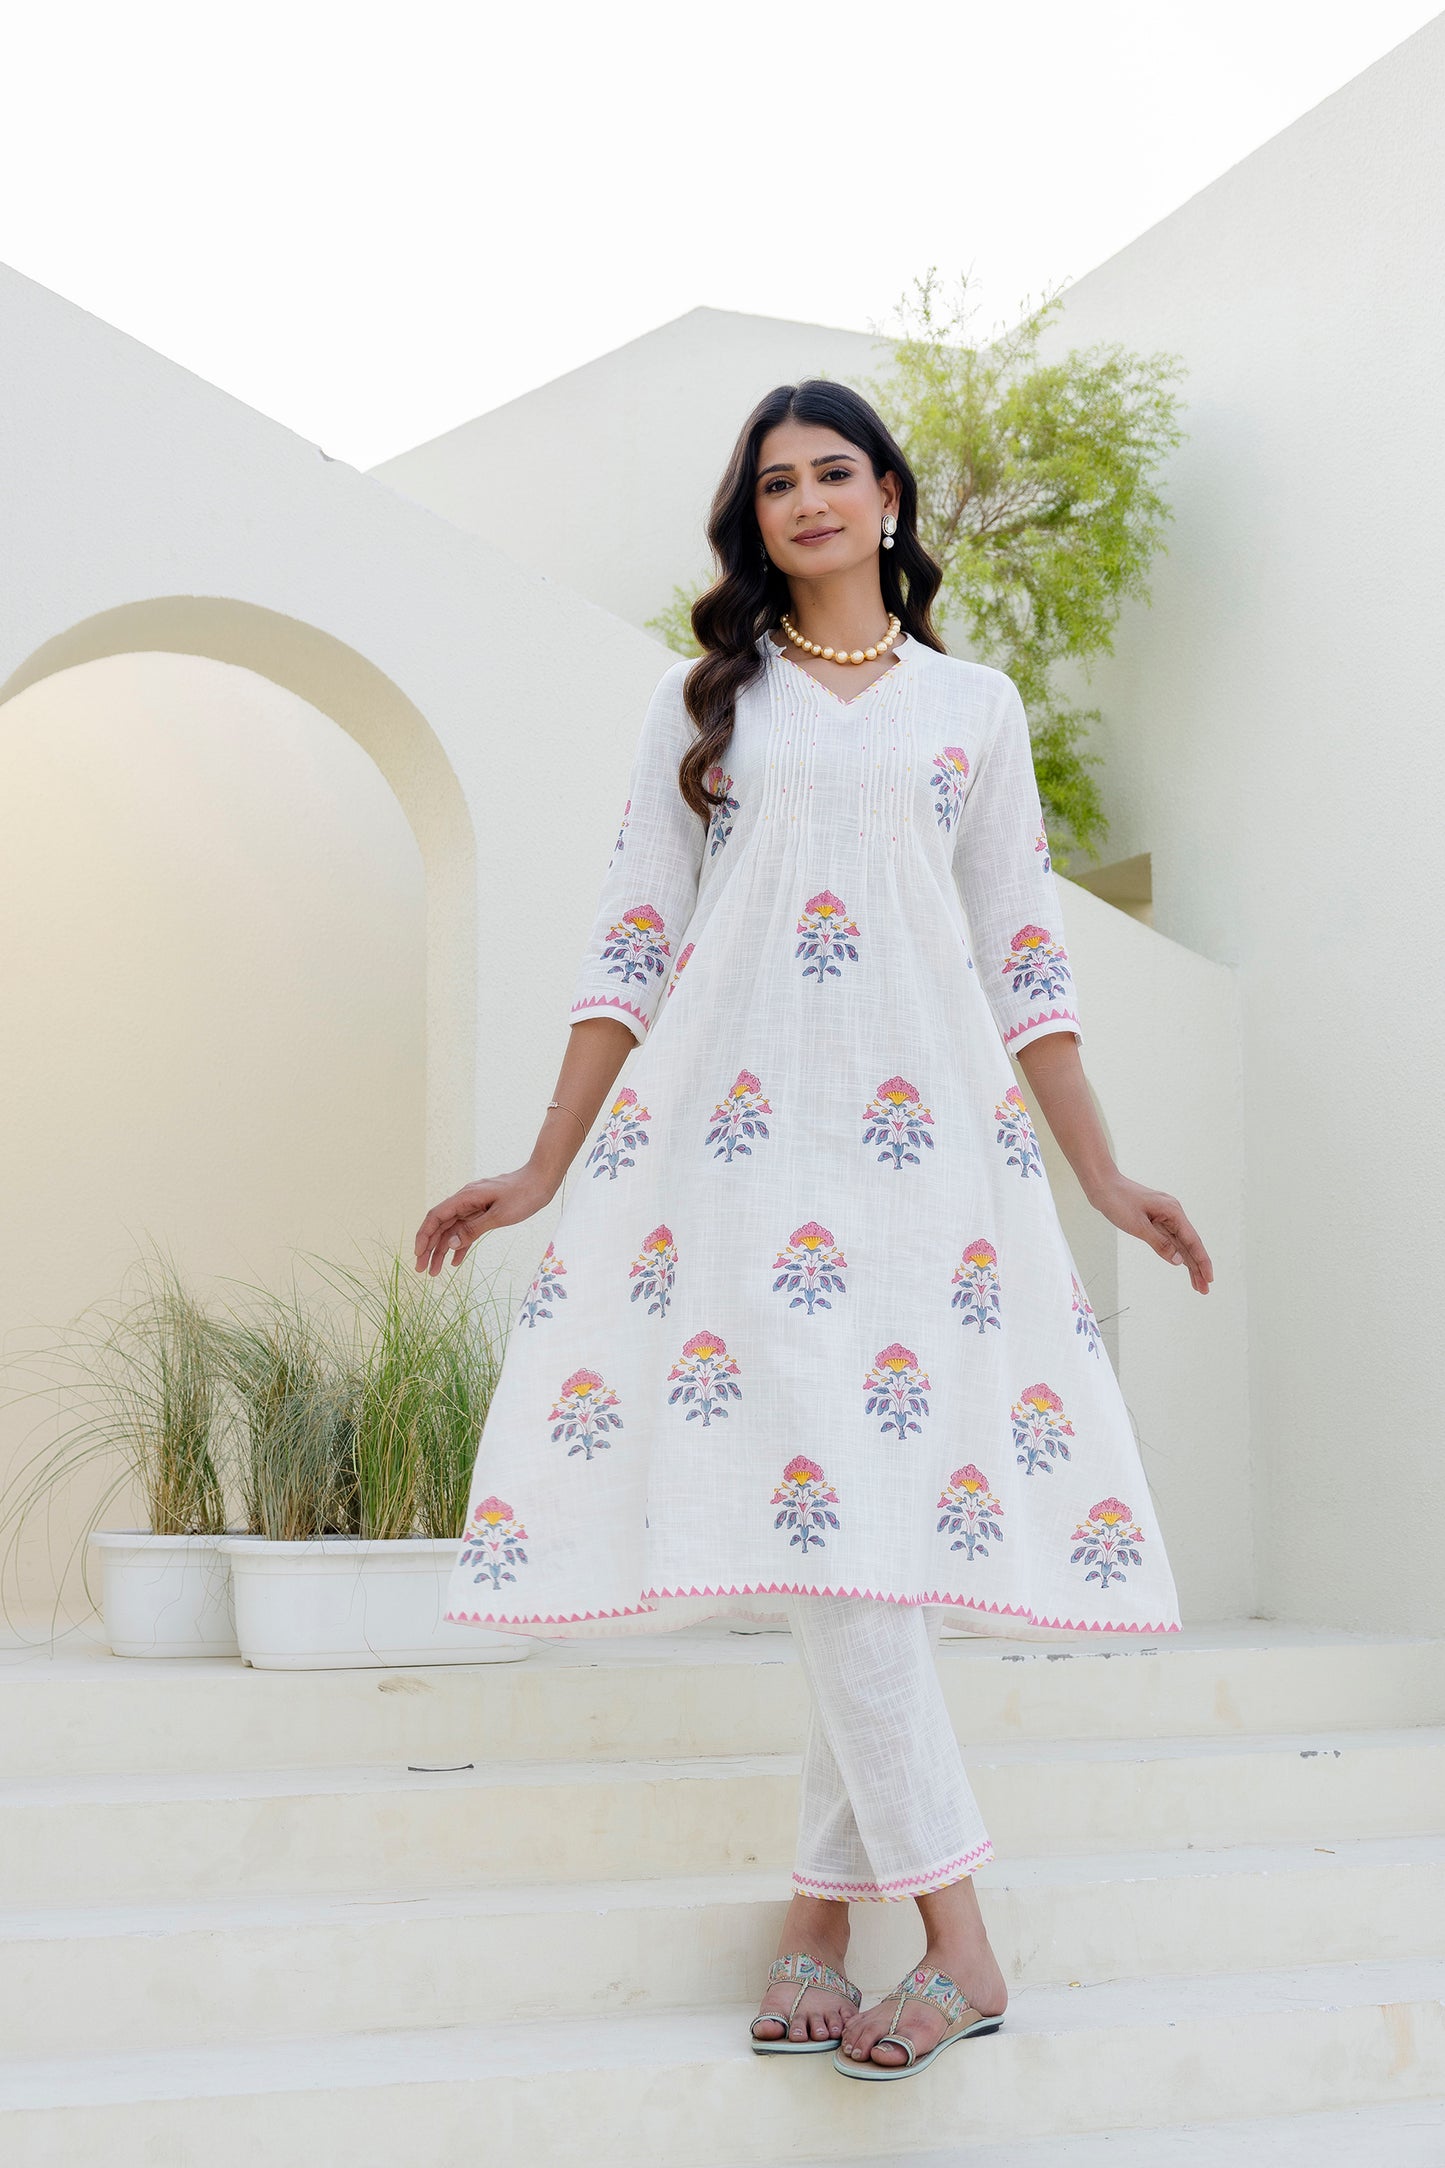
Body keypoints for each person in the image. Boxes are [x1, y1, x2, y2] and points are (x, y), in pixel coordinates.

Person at [414, 379, 1213, 2080]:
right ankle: (958, 1942)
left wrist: (1102, 1175)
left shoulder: (972, 708)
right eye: (774, 483)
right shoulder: (706, 701)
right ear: (753, 520)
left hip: (928, 1175)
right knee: (830, 1517)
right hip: (739, 1150)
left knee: (867, 1536)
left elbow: (1022, 957)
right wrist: (545, 1165)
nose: (805, 501)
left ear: (889, 496)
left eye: (832, 472)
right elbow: (633, 936)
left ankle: (822, 1921)